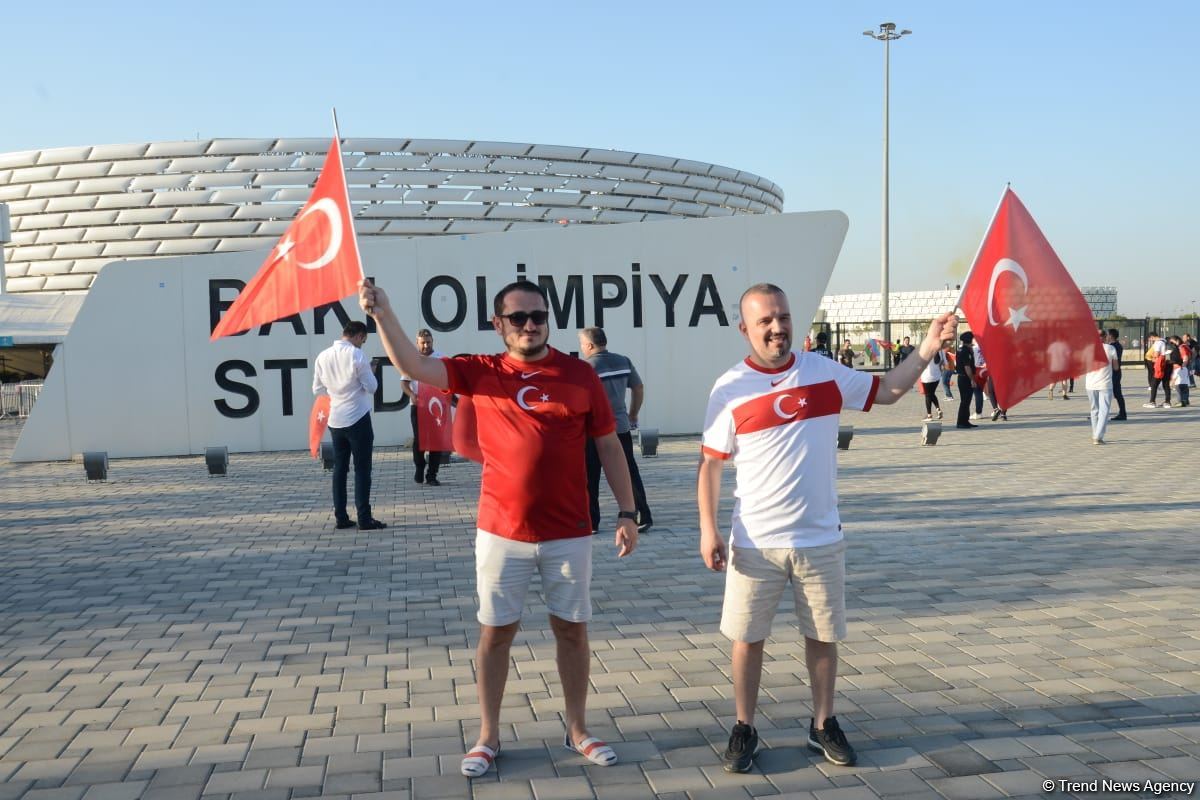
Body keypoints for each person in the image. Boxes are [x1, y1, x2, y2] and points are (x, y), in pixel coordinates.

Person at [360, 278, 638, 778]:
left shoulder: (579, 374)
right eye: (518, 318)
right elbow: (411, 366)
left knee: (572, 631)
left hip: (569, 531)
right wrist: (383, 315)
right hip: (501, 532)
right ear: (499, 325)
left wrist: (626, 511)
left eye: (538, 316)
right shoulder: (480, 371)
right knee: (495, 634)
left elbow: (609, 446)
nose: (530, 325)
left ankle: (577, 729)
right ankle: (488, 736)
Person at [697, 283, 957, 774]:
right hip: (754, 542)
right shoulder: (730, 387)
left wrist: (928, 346)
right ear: (745, 329)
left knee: (822, 636)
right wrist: (707, 529)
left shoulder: (823, 372)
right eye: (764, 321)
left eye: (783, 316)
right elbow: (710, 466)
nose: (777, 327)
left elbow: (889, 391)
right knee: (746, 638)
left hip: (820, 538)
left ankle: (822, 724)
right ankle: (744, 727)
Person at [312, 321, 386, 531]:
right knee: (362, 470)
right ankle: (364, 518)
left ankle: (341, 517)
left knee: (339, 469)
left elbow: (317, 389)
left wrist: (336, 393)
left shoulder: (323, 356)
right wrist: (370, 371)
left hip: (335, 420)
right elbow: (371, 387)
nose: (363, 343)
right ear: (359, 335)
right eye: (364, 339)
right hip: (358, 417)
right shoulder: (357, 355)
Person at [578, 327, 653, 533]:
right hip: (620, 427)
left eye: (582, 344)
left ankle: (591, 522)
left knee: (589, 475)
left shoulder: (586, 369)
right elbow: (638, 388)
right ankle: (642, 516)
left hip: (593, 431)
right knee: (629, 472)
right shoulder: (623, 361)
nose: (582, 348)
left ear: (590, 345)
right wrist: (633, 414)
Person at [401, 329, 449, 486]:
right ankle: (419, 467)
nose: (426, 345)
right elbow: (404, 382)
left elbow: (448, 380)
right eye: (423, 343)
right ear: (417, 343)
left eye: (428, 342)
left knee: (436, 441)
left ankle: (432, 475)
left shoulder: (441, 358)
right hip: (418, 405)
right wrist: (412, 395)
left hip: (437, 407)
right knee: (419, 440)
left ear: (432, 341)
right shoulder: (412, 360)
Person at [1085, 332, 1118, 444]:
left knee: (1094, 410)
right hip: (1105, 383)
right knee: (1104, 411)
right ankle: (1098, 436)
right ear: (1105, 337)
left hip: (1090, 384)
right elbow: (1116, 367)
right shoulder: (1111, 348)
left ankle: (1095, 434)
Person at [955, 331, 978, 429]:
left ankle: (965, 421)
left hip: (962, 377)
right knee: (965, 401)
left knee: (966, 400)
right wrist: (972, 379)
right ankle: (961, 422)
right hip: (965, 378)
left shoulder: (961, 350)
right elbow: (967, 367)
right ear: (969, 340)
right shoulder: (965, 351)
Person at [918, 344, 944, 420]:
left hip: (927, 376)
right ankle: (938, 409)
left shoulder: (925, 351)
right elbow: (942, 362)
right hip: (937, 376)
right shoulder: (940, 350)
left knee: (928, 395)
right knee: (931, 394)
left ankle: (929, 415)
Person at [1106, 329, 1127, 420]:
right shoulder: (1117, 345)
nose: (1106, 337)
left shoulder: (1113, 347)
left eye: (1107, 335)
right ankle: (1122, 413)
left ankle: (1122, 413)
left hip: (1114, 373)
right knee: (1117, 393)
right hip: (1115, 373)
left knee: (1115, 393)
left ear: (1110, 336)